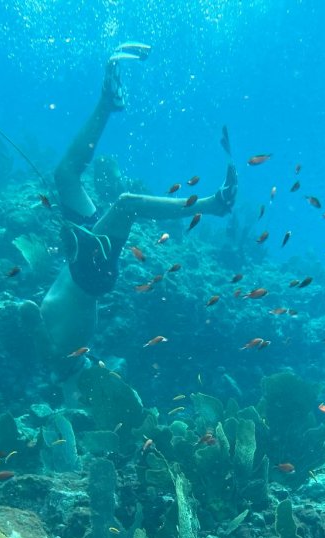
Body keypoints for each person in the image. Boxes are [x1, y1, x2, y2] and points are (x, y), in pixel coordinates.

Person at [38, 43, 237, 357]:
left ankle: (108, 102)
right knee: (126, 203)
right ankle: (215, 204)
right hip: (89, 276)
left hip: (82, 265)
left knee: (65, 175)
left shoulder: (44, 346)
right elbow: (73, 354)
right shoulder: (58, 354)